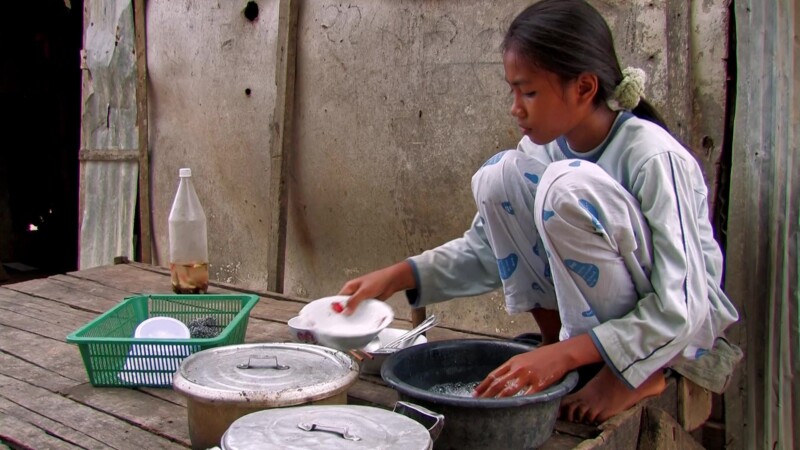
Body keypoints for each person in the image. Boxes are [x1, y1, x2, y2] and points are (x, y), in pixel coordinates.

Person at [339, 0, 740, 424]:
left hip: (672, 323)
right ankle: (556, 341)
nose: (516, 107)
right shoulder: (541, 149)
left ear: (584, 88)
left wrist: (569, 357)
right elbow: (492, 250)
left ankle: (631, 373)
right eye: (513, 90)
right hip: (592, 325)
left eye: (529, 92)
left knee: (564, 186)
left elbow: (684, 302)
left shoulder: (652, 156)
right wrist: (397, 276)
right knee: (500, 175)